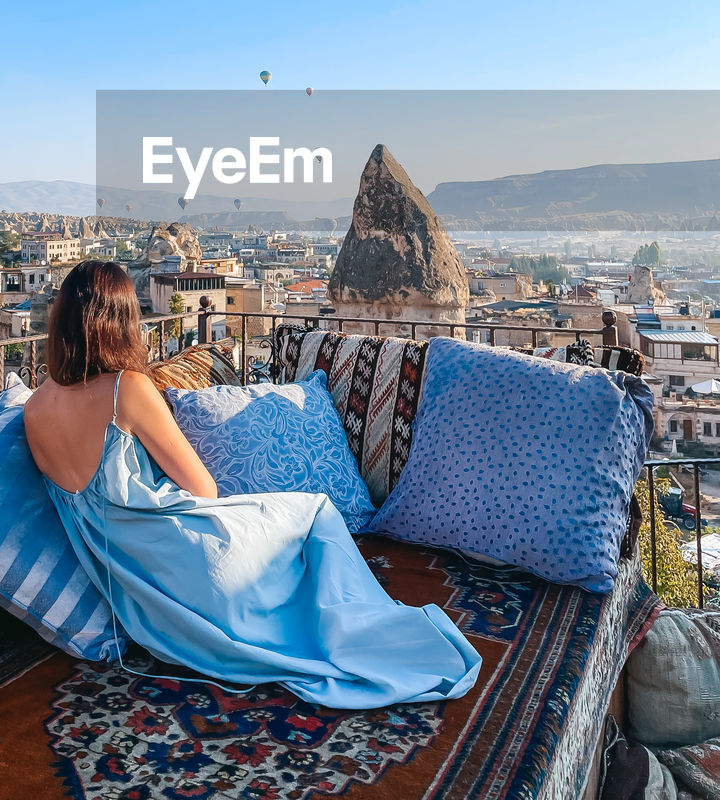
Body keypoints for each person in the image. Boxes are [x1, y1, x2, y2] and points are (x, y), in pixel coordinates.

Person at [24, 260, 481, 709]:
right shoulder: (127, 388)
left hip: (146, 606)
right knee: (315, 511)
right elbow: (203, 488)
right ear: (119, 322)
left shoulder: (35, 408)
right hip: (193, 560)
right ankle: (358, 622)